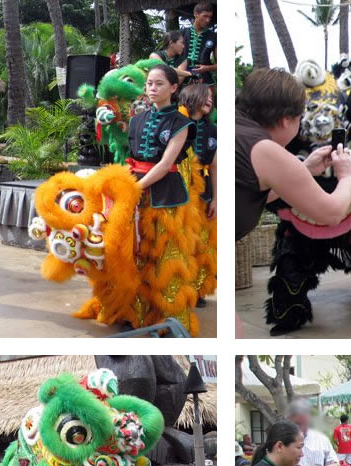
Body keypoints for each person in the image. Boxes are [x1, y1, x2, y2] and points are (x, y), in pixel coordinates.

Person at [235, 67, 351, 242]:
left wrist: (304, 169)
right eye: (300, 117)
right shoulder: (264, 149)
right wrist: (347, 176)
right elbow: (331, 213)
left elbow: (250, 196)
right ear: (286, 120)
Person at [126, 63, 201, 333]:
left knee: (167, 259)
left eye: (159, 83)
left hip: (166, 196)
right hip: (136, 191)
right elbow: (130, 160)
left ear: (173, 87)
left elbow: (165, 163)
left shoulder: (181, 123)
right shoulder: (136, 120)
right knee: (136, 255)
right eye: (149, 84)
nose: (153, 88)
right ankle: (138, 314)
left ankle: (169, 319)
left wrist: (137, 187)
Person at [179, 83, 217, 303]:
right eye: (206, 95)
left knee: (202, 241)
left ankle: (197, 290)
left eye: (212, 97)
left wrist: (217, 200)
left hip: (204, 192)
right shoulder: (177, 122)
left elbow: (215, 166)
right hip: (180, 190)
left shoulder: (213, 130)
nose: (210, 100)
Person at [182, 3, 216, 86]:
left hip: (205, 80)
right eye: (205, 16)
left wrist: (206, 68)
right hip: (183, 80)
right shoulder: (181, 33)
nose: (208, 20)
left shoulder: (214, 36)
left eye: (209, 17)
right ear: (196, 14)